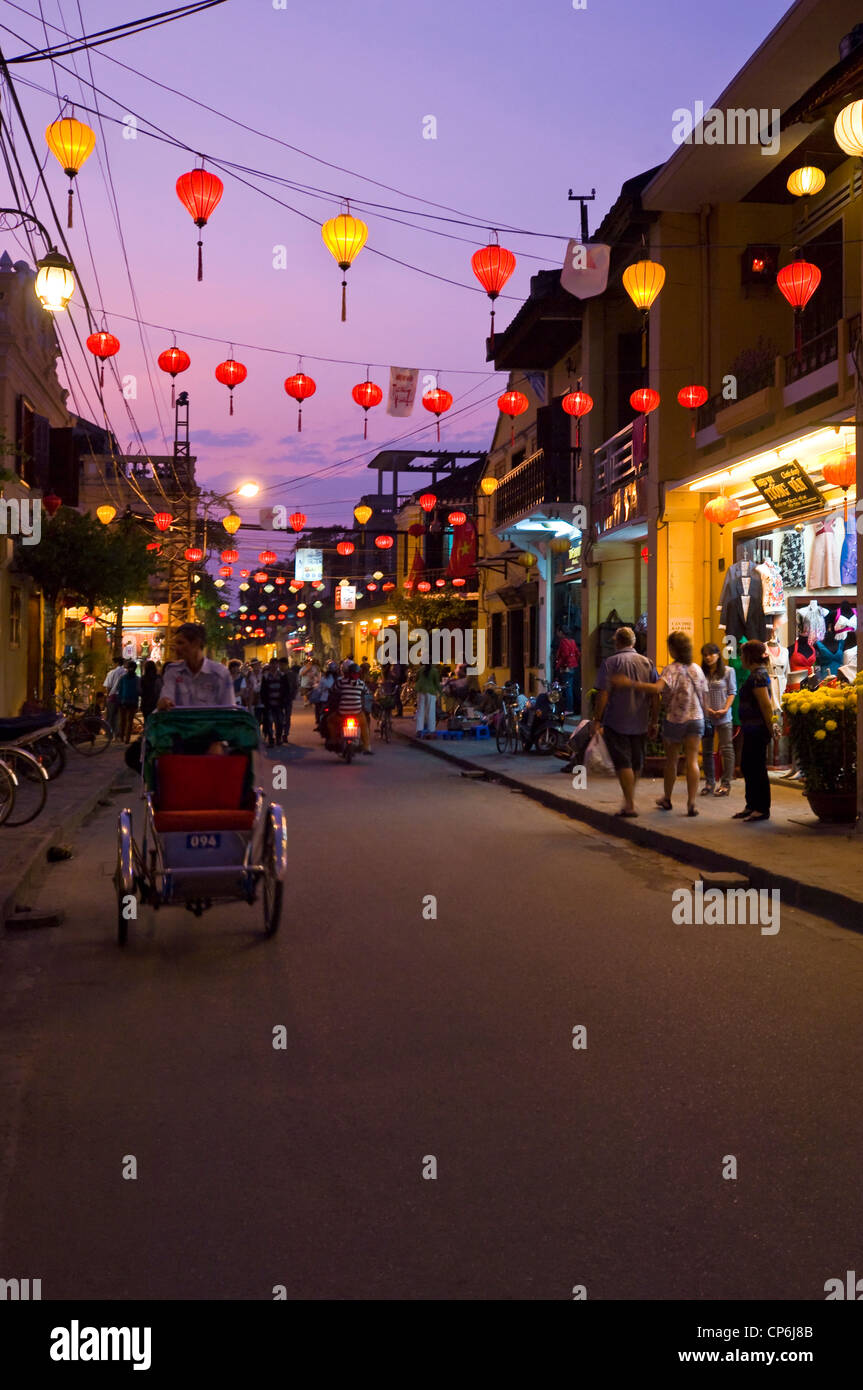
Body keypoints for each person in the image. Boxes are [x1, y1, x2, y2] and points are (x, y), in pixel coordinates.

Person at [612, 630, 708, 817]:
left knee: (671, 761)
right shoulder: (697, 669)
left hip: (675, 720)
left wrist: (629, 683)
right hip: (696, 719)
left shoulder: (671, 670)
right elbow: (704, 696)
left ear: (673, 649)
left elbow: (656, 689)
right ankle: (691, 803)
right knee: (692, 760)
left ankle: (667, 798)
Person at [593, 627, 659, 817]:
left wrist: (597, 719)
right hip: (640, 720)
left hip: (617, 720)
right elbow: (656, 695)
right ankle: (629, 799)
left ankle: (629, 803)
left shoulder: (611, 662)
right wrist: (654, 721)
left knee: (624, 763)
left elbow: (603, 694)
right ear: (634, 642)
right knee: (636, 763)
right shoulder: (647, 662)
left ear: (617, 642)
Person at [732, 639, 774, 822]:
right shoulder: (755, 674)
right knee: (749, 766)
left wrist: (771, 727)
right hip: (750, 727)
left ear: (750, 656)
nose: (741, 658)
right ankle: (751, 805)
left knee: (756, 767)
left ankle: (761, 808)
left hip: (757, 729)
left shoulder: (758, 676)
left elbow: (765, 704)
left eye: (742, 654)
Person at [156, 623, 236, 709]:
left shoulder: (220, 673)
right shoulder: (173, 672)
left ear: (196, 643)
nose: (176, 648)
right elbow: (166, 696)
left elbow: (229, 709)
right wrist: (164, 702)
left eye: (180, 643)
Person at [700, 643, 736, 797]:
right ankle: (709, 782)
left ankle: (726, 783)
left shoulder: (728, 671)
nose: (708, 657)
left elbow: (732, 692)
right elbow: (700, 693)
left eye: (711, 654)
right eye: (705, 655)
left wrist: (725, 709)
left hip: (724, 715)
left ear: (718, 655)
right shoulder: (702, 673)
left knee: (726, 749)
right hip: (707, 716)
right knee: (707, 750)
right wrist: (706, 709)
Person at [327, 662, 372, 754]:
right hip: (357, 713)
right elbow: (367, 693)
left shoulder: (341, 682)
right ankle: (367, 746)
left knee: (330, 721)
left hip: (342, 713)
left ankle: (334, 740)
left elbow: (332, 690)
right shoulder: (361, 684)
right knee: (364, 725)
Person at [260, 657, 291, 747]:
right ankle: (271, 739)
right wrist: (264, 701)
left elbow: (286, 689)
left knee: (280, 722)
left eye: (275, 664)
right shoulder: (266, 676)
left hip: (279, 703)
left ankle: (278, 738)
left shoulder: (282, 676)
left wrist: (285, 701)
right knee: (269, 722)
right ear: (270, 665)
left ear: (277, 665)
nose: (274, 666)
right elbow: (263, 691)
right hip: (269, 703)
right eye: (272, 664)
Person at [554, 625, 581, 714]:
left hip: (565, 668)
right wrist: (574, 662)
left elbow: (564, 655)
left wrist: (559, 665)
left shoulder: (563, 642)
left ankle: (569, 709)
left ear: (561, 632)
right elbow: (577, 653)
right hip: (573, 667)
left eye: (558, 632)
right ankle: (570, 708)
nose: (557, 634)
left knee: (567, 689)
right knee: (570, 687)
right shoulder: (572, 641)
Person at [414, 662, 442, 737]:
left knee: (420, 711)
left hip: (420, 691)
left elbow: (416, 680)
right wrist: (441, 692)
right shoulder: (434, 671)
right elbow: (437, 683)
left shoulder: (420, 670)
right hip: (431, 692)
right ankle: (431, 731)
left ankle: (419, 730)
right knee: (430, 712)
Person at [116, 659, 140, 743]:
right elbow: (119, 689)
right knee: (123, 721)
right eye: (130, 667)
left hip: (130, 701)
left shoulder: (135, 679)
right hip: (124, 701)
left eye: (132, 668)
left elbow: (119, 689)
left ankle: (126, 739)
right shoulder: (125, 678)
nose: (130, 669)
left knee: (128, 721)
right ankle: (123, 737)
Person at [103, 656, 126, 734]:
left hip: (113, 696)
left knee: (111, 716)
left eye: (113, 663)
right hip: (123, 697)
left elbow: (108, 687)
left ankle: (110, 734)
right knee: (121, 717)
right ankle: (119, 734)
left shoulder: (111, 673)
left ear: (116, 663)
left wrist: (107, 697)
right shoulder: (126, 672)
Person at [278, 657, 298, 739]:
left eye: (282, 665)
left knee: (287, 716)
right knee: (279, 716)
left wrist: (293, 696)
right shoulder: (277, 674)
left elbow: (295, 686)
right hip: (278, 698)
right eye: (280, 665)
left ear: (286, 665)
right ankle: (280, 731)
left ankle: (285, 733)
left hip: (288, 698)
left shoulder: (292, 675)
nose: (281, 667)